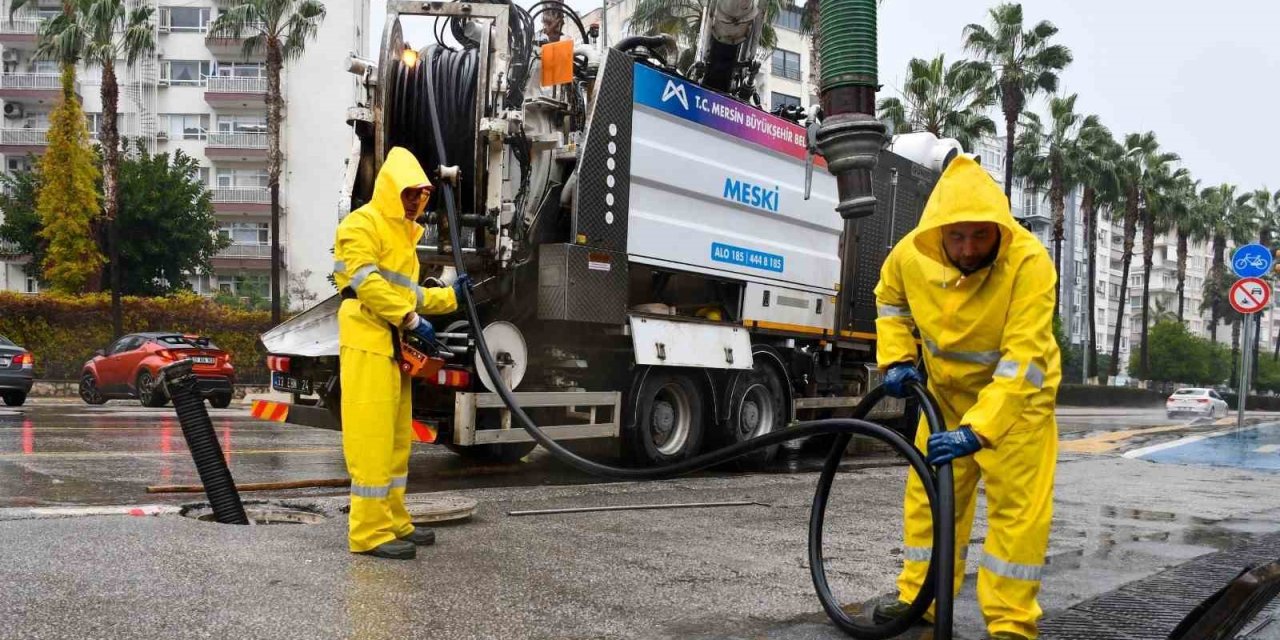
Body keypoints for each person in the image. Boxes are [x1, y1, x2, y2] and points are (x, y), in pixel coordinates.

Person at [872, 154, 1061, 640]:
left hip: (1017, 408)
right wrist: (895, 358)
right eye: (957, 237)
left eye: (981, 235)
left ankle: (1011, 625)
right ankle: (922, 600)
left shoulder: (1030, 264)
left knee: (1016, 515)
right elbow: (889, 299)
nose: (969, 247)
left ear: (1000, 227)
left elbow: (1024, 359)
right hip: (945, 397)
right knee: (929, 501)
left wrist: (980, 430)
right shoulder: (912, 255)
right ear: (938, 232)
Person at [332, 147, 472, 560]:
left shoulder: (402, 239)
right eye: (409, 193)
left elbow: (409, 293)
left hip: (390, 348)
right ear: (391, 189)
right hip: (366, 343)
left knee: (395, 443)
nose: (415, 201)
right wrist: (411, 321)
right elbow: (368, 284)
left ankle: (393, 521)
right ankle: (368, 533)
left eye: (421, 195)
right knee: (371, 442)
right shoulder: (362, 225)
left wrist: (451, 298)